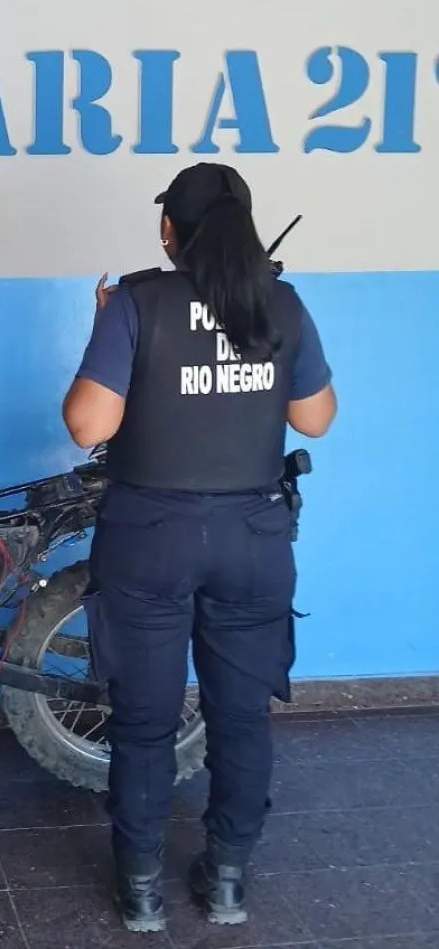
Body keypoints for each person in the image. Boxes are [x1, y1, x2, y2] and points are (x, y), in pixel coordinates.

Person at [61, 163, 337, 934]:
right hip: (254, 539)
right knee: (241, 716)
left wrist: (104, 326)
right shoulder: (279, 303)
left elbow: (89, 426)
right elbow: (316, 419)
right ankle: (225, 880)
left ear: (167, 231)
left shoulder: (137, 304)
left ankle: (141, 885)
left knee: (145, 720)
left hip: (150, 538)